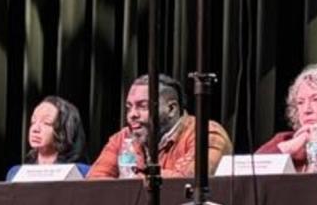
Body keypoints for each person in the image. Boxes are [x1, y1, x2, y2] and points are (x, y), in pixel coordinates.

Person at [87, 74, 232, 179]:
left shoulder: (206, 133)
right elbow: (95, 181)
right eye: (129, 107)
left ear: (171, 109)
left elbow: (186, 181)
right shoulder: (123, 137)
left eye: (143, 106)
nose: (132, 115)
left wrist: (131, 178)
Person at [7, 96, 88, 179]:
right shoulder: (15, 173)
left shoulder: (81, 171)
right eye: (33, 122)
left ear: (64, 131)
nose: (35, 129)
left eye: (46, 123)